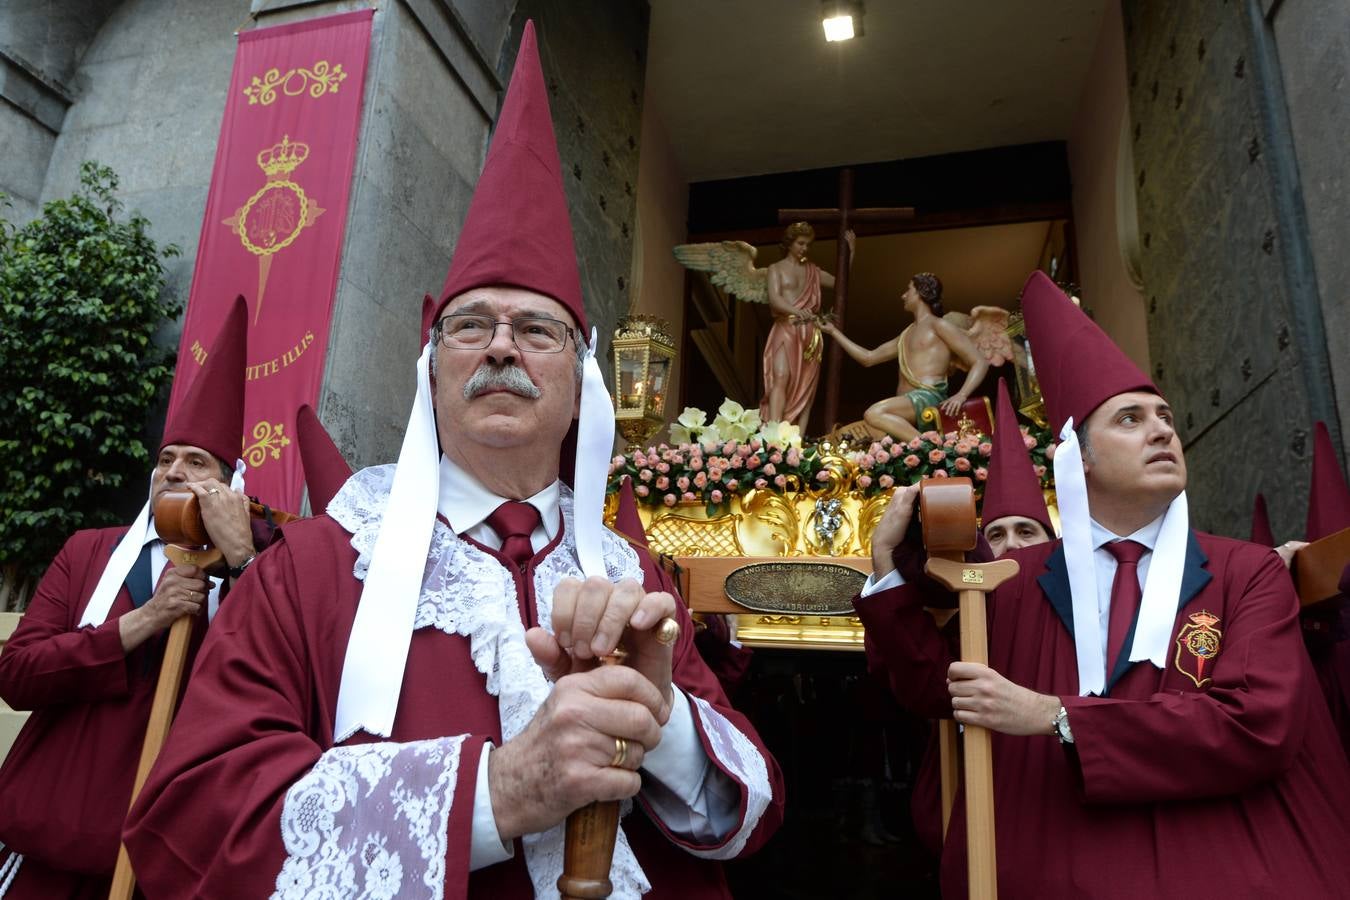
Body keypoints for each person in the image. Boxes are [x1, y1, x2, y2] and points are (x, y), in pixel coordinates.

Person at [124, 23, 782, 899]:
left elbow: (758, 814)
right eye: (470, 325)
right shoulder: (314, 569)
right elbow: (191, 821)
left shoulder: (636, 578)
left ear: (583, 388)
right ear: (432, 371)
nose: (501, 347)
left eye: (537, 329)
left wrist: (656, 723)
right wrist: (498, 793)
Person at [853, 271, 1350, 898]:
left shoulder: (1245, 573)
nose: (1164, 430)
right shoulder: (1012, 581)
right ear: (1078, 457)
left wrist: (1054, 716)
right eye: (1131, 419)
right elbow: (935, 690)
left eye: (1165, 417)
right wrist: (885, 572)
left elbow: (1257, 726)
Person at [0, 298, 267, 898]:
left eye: (196, 462)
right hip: (48, 836)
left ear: (230, 486)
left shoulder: (260, 573)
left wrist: (243, 560)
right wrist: (143, 621)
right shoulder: (90, 551)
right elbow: (16, 675)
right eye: (165, 459)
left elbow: (283, 673)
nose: (173, 471)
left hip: (161, 862)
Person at [909, 377, 1056, 857]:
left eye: (1026, 531)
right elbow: (925, 686)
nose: (1012, 545)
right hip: (978, 814)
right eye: (997, 533)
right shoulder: (971, 614)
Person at [822, 273, 989, 442]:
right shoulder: (906, 334)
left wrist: (962, 395)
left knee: (874, 413)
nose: (903, 295)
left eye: (908, 290)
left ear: (921, 292)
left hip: (927, 398)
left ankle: (931, 447)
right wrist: (833, 332)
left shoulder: (940, 326)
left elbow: (980, 361)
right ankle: (924, 446)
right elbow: (868, 357)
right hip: (906, 406)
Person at [762, 221, 854, 432]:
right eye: (800, 243)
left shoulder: (813, 271)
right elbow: (775, 300)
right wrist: (795, 310)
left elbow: (841, 283)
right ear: (789, 243)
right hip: (785, 327)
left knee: (806, 385)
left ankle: (798, 437)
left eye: (807, 244)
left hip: (809, 333)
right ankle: (774, 431)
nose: (804, 248)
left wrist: (850, 254)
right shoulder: (775, 269)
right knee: (781, 376)